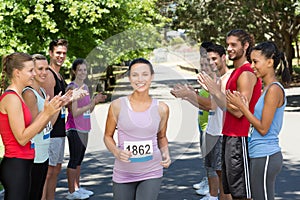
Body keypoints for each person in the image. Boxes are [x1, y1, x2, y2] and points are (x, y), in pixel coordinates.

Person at [198, 29, 262, 200]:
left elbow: (240, 112)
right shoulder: (235, 73)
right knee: (229, 192)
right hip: (228, 136)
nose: (230, 48)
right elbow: (225, 107)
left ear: (246, 45)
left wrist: (215, 91)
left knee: (242, 194)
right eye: (228, 45)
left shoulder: (246, 73)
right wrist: (213, 92)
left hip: (240, 138)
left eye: (234, 44)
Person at [226, 41, 290, 200]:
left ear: (270, 62)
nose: (252, 66)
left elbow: (263, 128)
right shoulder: (266, 88)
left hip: (266, 154)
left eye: (255, 62)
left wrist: (243, 107)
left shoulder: (274, 90)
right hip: (258, 153)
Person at [104, 58, 171, 200]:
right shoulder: (117, 105)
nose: (140, 79)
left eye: (145, 74)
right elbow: (107, 136)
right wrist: (116, 151)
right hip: (123, 172)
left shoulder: (162, 108)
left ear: (151, 76)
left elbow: (162, 137)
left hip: (152, 171)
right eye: (135, 75)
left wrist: (166, 154)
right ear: (129, 78)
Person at [172, 44, 232, 200]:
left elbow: (211, 105)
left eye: (213, 59)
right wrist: (187, 95)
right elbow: (208, 105)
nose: (210, 63)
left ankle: (213, 196)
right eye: (207, 61)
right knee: (216, 174)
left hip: (220, 133)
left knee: (224, 182)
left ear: (223, 58)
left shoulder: (224, 79)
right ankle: (213, 196)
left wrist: (188, 95)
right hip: (213, 131)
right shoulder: (216, 79)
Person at [0, 52, 62, 200]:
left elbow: (34, 126)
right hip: (16, 164)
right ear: (17, 73)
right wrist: (46, 113)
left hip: (25, 161)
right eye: (30, 70)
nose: (34, 74)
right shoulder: (12, 98)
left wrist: (51, 110)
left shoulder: (18, 95)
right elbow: (22, 138)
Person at [65, 58, 107, 199]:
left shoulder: (85, 87)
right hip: (74, 128)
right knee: (74, 159)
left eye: (84, 70)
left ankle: (78, 187)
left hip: (85, 127)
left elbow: (89, 110)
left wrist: (95, 101)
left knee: (79, 160)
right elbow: (75, 112)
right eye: (80, 70)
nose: (83, 73)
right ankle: (71, 192)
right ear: (74, 71)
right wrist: (91, 103)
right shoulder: (72, 88)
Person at [22, 54, 59, 200]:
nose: (44, 72)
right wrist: (49, 112)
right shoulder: (29, 94)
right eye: (40, 69)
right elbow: (35, 127)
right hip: (34, 155)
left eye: (46, 69)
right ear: (32, 70)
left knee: (38, 194)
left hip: (44, 153)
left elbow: (48, 125)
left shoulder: (42, 92)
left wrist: (58, 107)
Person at [41, 39, 69, 200]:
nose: (61, 56)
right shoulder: (49, 75)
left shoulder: (59, 75)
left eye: (64, 53)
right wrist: (65, 100)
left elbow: (61, 102)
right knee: (48, 172)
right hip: (51, 131)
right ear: (51, 53)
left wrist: (70, 97)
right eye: (58, 52)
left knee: (56, 170)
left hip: (60, 129)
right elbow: (51, 106)